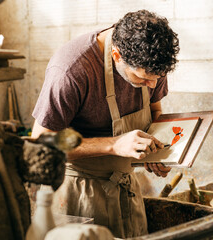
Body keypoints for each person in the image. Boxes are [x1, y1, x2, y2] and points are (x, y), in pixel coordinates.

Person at [31, 9, 179, 238]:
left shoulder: (152, 62)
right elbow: (41, 143)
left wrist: (155, 152)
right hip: (78, 194)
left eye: (156, 79)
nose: (151, 85)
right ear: (117, 55)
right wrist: (113, 145)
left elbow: (154, 110)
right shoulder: (71, 69)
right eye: (141, 78)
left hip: (126, 189)